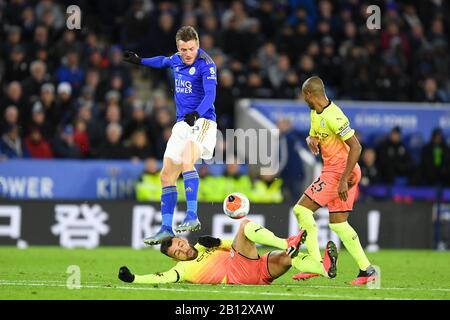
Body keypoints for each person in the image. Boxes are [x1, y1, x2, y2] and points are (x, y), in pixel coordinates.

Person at [123, 26, 218, 244]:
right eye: (183, 49)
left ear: (198, 45)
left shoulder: (206, 65)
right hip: (182, 124)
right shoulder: (176, 59)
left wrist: (197, 113)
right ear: (178, 47)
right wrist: (140, 61)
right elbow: (163, 62)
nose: (187, 54)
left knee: (187, 162)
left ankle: (192, 215)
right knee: (166, 175)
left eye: (191, 49)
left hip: (203, 121)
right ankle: (166, 228)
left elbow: (211, 94)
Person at [292, 76, 377, 285]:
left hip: (341, 172)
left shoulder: (334, 116)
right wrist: (311, 139)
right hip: (335, 171)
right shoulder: (315, 113)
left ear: (310, 94)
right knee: (339, 224)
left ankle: (316, 263)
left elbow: (356, 147)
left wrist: (343, 179)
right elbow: (315, 135)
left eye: (304, 96)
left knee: (301, 210)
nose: (304, 100)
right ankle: (367, 270)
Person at [118, 219, 338, 285]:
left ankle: (323, 268)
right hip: (238, 275)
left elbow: (232, 245)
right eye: (176, 253)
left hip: (257, 269)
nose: (182, 251)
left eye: (180, 245)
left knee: (288, 259)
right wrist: (133, 278)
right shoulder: (181, 270)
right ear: (174, 258)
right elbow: (162, 277)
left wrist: (217, 241)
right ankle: (285, 242)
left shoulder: (203, 244)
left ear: (183, 239)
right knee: (245, 225)